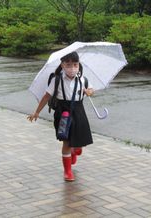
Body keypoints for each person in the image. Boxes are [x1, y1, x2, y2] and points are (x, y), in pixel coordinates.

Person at [27, 51, 94, 182]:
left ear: (79, 65)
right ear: (62, 65)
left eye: (75, 64)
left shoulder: (83, 79)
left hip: (79, 111)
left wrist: (88, 91)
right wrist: (37, 112)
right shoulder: (56, 80)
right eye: (68, 64)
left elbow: (91, 90)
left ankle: (75, 150)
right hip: (63, 112)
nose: (72, 68)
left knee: (79, 147)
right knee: (67, 141)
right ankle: (67, 171)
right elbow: (46, 96)